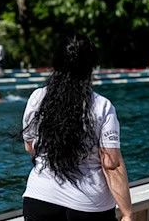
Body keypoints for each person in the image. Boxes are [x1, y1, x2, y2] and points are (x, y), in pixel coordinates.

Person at [21, 34, 133, 221]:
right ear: (91, 67)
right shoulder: (102, 106)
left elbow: (30, 147)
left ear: (55, 64)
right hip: (88, 206)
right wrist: (127, 213)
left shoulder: (37, 98)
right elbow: (111, 164)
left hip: (40, 198)